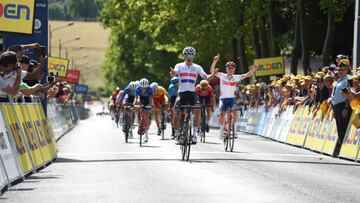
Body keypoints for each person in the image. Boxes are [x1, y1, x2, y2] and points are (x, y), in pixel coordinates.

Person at [209, 53, 257, 139]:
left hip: (232, 99)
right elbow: (212, 71)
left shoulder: (236, 77)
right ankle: (221, 132)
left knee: (235, 113)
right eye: (229, 68)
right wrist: (215, 61)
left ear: (234, 69)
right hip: (223, 99)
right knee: (222, 114)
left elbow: (247, 75)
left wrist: (253, 70)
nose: (230, 69)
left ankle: (234, 131)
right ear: (226, 69)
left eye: (232, 68)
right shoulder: (222, 76)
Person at [170, 46, 210, 144]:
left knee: (197, 110)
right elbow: (175, 72)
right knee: (175, 114)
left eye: (191, 55)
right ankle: (178, 133)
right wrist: (173, 73)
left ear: (193, 57)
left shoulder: (197, 67)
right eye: (187, 55)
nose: (189, 57)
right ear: (184, 56)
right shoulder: (179, 66)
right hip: (181, 93)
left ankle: (194, 134)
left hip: (192, 93)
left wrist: (212, 75)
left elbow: (205, 76)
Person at [332, 59, 353, 157]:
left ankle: (342, 150)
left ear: (347, 70)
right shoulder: (339, 80)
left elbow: (348, 94)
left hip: (343, 106)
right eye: (339, 70)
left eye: (343, 70)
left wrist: (345, 107)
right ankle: (341, 149)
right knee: (339, 128)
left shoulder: (348, 79)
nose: (340, 71)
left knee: (343, 127)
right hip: (336, 106)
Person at [134, 78, 153, 143]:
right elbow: (136, 99)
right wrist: (136, 106)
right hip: (140, 98)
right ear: (140, 87)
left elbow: (150, 99)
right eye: (142, 88)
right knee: (137, 105)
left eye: (145, 88)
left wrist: (150, 106)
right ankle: (137, 118)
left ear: (147, 87)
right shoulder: (137, 88)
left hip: (147, 99)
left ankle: (146, 133)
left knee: (147, 114)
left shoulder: (150, 89)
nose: (143, 89)